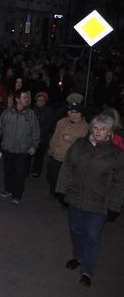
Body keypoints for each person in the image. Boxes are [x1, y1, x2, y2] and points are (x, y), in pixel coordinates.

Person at [56, 114, 124, 287]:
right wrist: (61, 190)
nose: (98, 131)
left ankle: (87, 270)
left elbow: (119, 182)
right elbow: (67, 167)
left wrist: (115, 206)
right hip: (76, 198)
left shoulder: (116, 154)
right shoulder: (79, 145)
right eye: (95, 128)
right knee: (76, 230)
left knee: (92, 236)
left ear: (110, 132)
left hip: (99, 203)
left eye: (103, 129)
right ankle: (78, 257)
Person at [0, 89, 40, 205]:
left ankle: (17, 194)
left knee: (20, 173)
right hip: (8, 148)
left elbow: (36, 131)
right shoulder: (8, 112)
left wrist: (34, 145)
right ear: (17, 99)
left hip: (23, 150)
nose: (27, 100)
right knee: (8, 171)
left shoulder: (30, 114)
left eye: (28, 98)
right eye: (24, 97)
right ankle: (8, 189)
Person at [47, 102, 89, 196]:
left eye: (72, 111)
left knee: (64, 180)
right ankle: (54, 190)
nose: (69, 113)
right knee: (50, 176)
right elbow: (55, 136)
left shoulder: (85, 127)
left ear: (79, 113)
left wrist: (71, 139)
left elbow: (85, 145)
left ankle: (62, 198)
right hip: (55, 156)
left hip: (68, 159)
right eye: (68, 110)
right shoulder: (62, 121)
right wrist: (51, 148)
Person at [31, 91, 54, 178]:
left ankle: (36, 171)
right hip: (31, 136)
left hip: (42, 137)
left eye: (42, 100)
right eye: (38, 100)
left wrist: (39, 131)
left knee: (39, 156)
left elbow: (50, 124)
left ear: (45, 101)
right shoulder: (32, 110)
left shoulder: (49, 111)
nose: (40, 102)